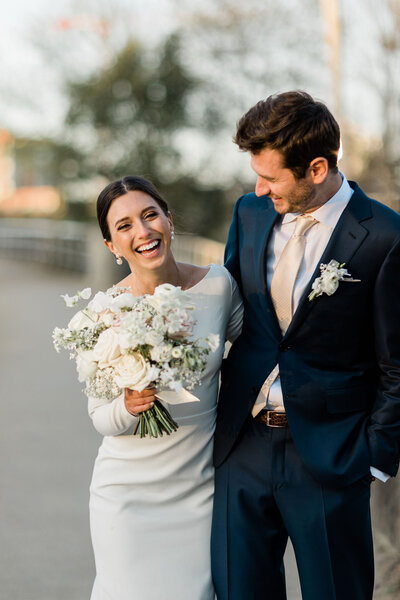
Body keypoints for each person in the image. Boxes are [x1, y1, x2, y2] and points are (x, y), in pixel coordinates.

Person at [211, 91, 400, 600]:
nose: (258, 187)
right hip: (242, 448)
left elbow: (397, 363)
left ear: (316, 168)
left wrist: (374, 458)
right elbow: (225, 308)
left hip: (330, 457)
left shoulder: (385, 235)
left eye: (271, 177)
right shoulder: (250, 213)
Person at [89, 176, 242, 600]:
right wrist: (129, 406)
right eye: (124, 226)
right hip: (127, 498)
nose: (142, 231)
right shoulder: (105, 313)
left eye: (150, 214)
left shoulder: (219, 286)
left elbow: (255, 354)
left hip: (200, 493)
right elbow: (99, 416)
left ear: (169, 220)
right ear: (111, 247)